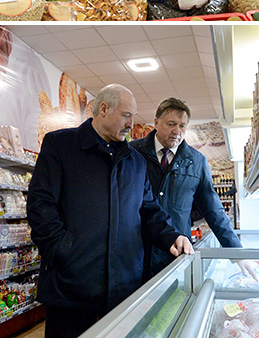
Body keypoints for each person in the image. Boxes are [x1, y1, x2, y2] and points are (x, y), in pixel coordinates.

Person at [27, 83, 193, 338]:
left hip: (123, 289)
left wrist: (172, 236)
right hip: (71, 288)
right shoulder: (61, 145)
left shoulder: (135, 161)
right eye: (126, 115)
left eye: (133, 117)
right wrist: (62, 250)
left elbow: (149, 211)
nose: (131, 124)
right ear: (103, 109)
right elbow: (40, 204)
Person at [131, 97, 255, 278]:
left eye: (182, 126)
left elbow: (213, 209)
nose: (177, 131)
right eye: (171, 124)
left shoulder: (196, 161)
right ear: (156, 122)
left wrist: (236, 252)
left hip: (176, 255)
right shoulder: (132, 154)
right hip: (135, 253)